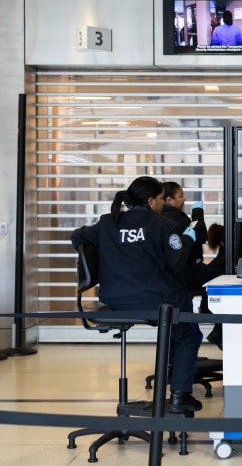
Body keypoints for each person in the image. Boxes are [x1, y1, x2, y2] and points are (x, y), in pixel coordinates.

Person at [70, 176, 203, 413]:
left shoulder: (107, 224)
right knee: (188, 334)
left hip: (114, 302)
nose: (163, 205)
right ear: (151, 201)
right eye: (162, 199)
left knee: (177, 325)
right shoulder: (162, 226)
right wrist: (186, 240)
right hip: (157, 302)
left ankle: (173, 389)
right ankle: (180, 396)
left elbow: (78, 237)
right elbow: (177, 265)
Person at [161, 182, 210, 291]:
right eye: (180, 195)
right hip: (187, 273)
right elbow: (201, 235)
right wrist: (198, 212)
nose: (184, 199)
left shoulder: (156, 218)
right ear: (169, 200)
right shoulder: (178, 217)